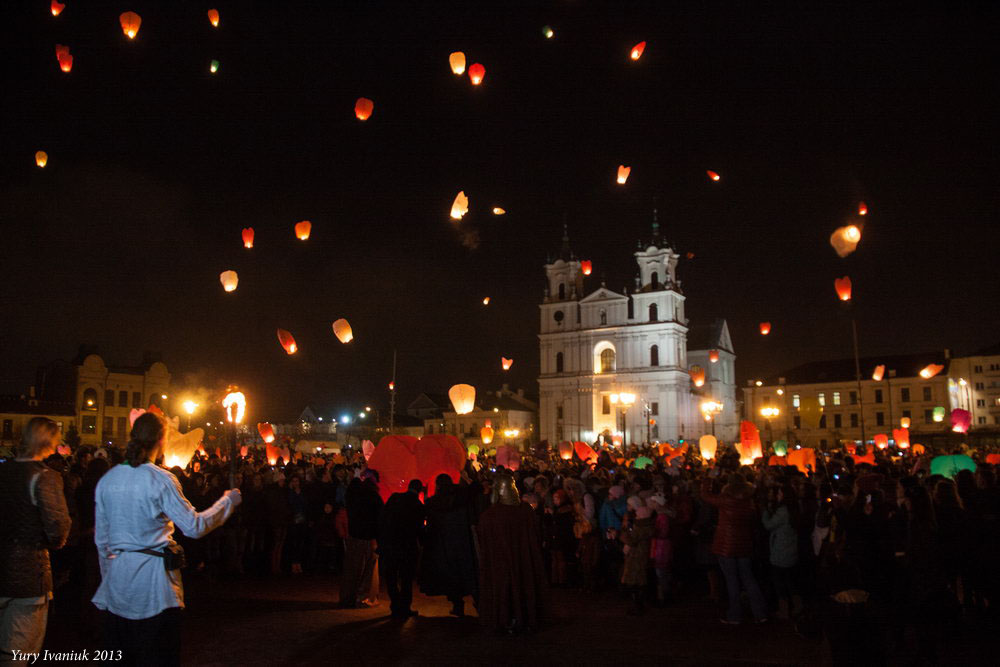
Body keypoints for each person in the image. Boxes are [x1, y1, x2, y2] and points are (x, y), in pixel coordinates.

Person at [92, 413, 241, 667]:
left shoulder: (108, 479)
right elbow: (193, 526)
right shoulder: (161, 480)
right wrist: (227, 503)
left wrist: (110, 580)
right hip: (154, 589)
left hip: (118, 586)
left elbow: (102, 542)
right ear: (161, 440)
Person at [0, 418, 72, 665]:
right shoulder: (45, 477)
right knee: (19, 650)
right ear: (49, 441)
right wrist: (56, 543)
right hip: (29, 575)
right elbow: (58, 527)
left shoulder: (3, 470)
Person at [477, 472, 546, 634]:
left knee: (504, 588)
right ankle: (521, 617)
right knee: (521, 584)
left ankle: (506, 618)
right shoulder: (525, 511)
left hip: (501, 560)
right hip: (520, 559)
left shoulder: (490, 516)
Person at [701, 473, 768, 624]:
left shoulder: (726, 500)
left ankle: (735, 614)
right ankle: (760, 613)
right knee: (749, 578)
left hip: (726, 544)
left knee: (732, 580)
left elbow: (705, 496)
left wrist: (707, 480)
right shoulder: (749, 501)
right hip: (745, 543)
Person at [420, 474, 478, 617]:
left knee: (450, 575)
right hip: (461, 542)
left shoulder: (434, 502)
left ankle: (458, 604)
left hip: (443, 545)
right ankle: (478, 604)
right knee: (466, 573)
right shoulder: (461, 498)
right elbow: (476, 488)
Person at [379, 479, 425, 619]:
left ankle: (395, 603)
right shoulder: (418, 505)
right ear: (419, 491)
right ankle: (404, 607)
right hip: (408, 546)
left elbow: (383, 517)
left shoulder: (395, 498)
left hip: (391, 544)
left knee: (391, 575)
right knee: (406, 579)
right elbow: (419, 529)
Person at [340, 473, 382, 608]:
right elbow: (380, 517)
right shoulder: (374, 498)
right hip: (369, 538)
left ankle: (347, 597)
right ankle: (364, 597)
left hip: (354, 536)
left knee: (352, 569)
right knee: (369, 570)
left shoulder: (352, 497)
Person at [761, 483, 800, 619]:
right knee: (791, 581)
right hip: (791, 550)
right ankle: (797, 607)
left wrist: (765, 512)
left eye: (779, 494)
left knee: (780, 583)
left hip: (780, 551)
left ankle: (784, 611)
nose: (777, 496)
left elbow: (768, 525)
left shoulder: (783, 511)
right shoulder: (795, 509)